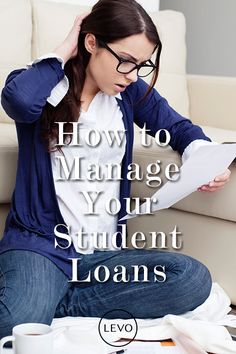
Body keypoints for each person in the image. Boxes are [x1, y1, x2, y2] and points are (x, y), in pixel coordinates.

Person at [0, 0, 231, 340]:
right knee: (13, 323)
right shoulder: (45, 85)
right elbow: (18, 101)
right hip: (43, 249)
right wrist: (65, 49)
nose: (132, 75)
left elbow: (180, 129)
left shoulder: (129, 93)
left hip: (103, 256)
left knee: (191, 279)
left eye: (141, 65)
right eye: (124, 61)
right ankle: (41, 296)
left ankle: (57, 303)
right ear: (91, 43)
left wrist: (205, 158)